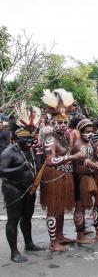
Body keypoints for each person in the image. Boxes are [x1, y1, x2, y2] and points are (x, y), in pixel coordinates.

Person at [0, 102, 44, 262]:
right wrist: (18, 170)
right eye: (25, 138)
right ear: (18, 137)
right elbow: (2, 172)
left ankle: (29, 243)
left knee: (27, 217)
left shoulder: (31, 151)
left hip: (29, 189)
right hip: (13, 189)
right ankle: (14, 252)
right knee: (13, 219)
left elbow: (35, 167)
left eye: (31, 138)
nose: (29, 141)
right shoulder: (9, 152)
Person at [40, 89, 83, 251]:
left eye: (64, 122)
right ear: (53, 123)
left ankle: (60, 235)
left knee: (61, 207)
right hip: (53, 177)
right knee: (53, 208)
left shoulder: (64, 137)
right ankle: (53, 242)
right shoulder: (50, 138)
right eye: (59, 122)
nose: (62, 125)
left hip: (65, 176)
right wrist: (71, 157)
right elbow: (50, 161)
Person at [71, 119, 98, 243]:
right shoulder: (79, 145)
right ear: (81, 132)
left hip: (89, 178)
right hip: (81, 179)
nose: (90, 134)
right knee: (80, 206)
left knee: (94, 203)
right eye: (87, 131)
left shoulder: (88, 143)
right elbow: (86, 162)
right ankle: (80, 236)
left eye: (91, 131)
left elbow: (91, 160)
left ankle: (93, 230)